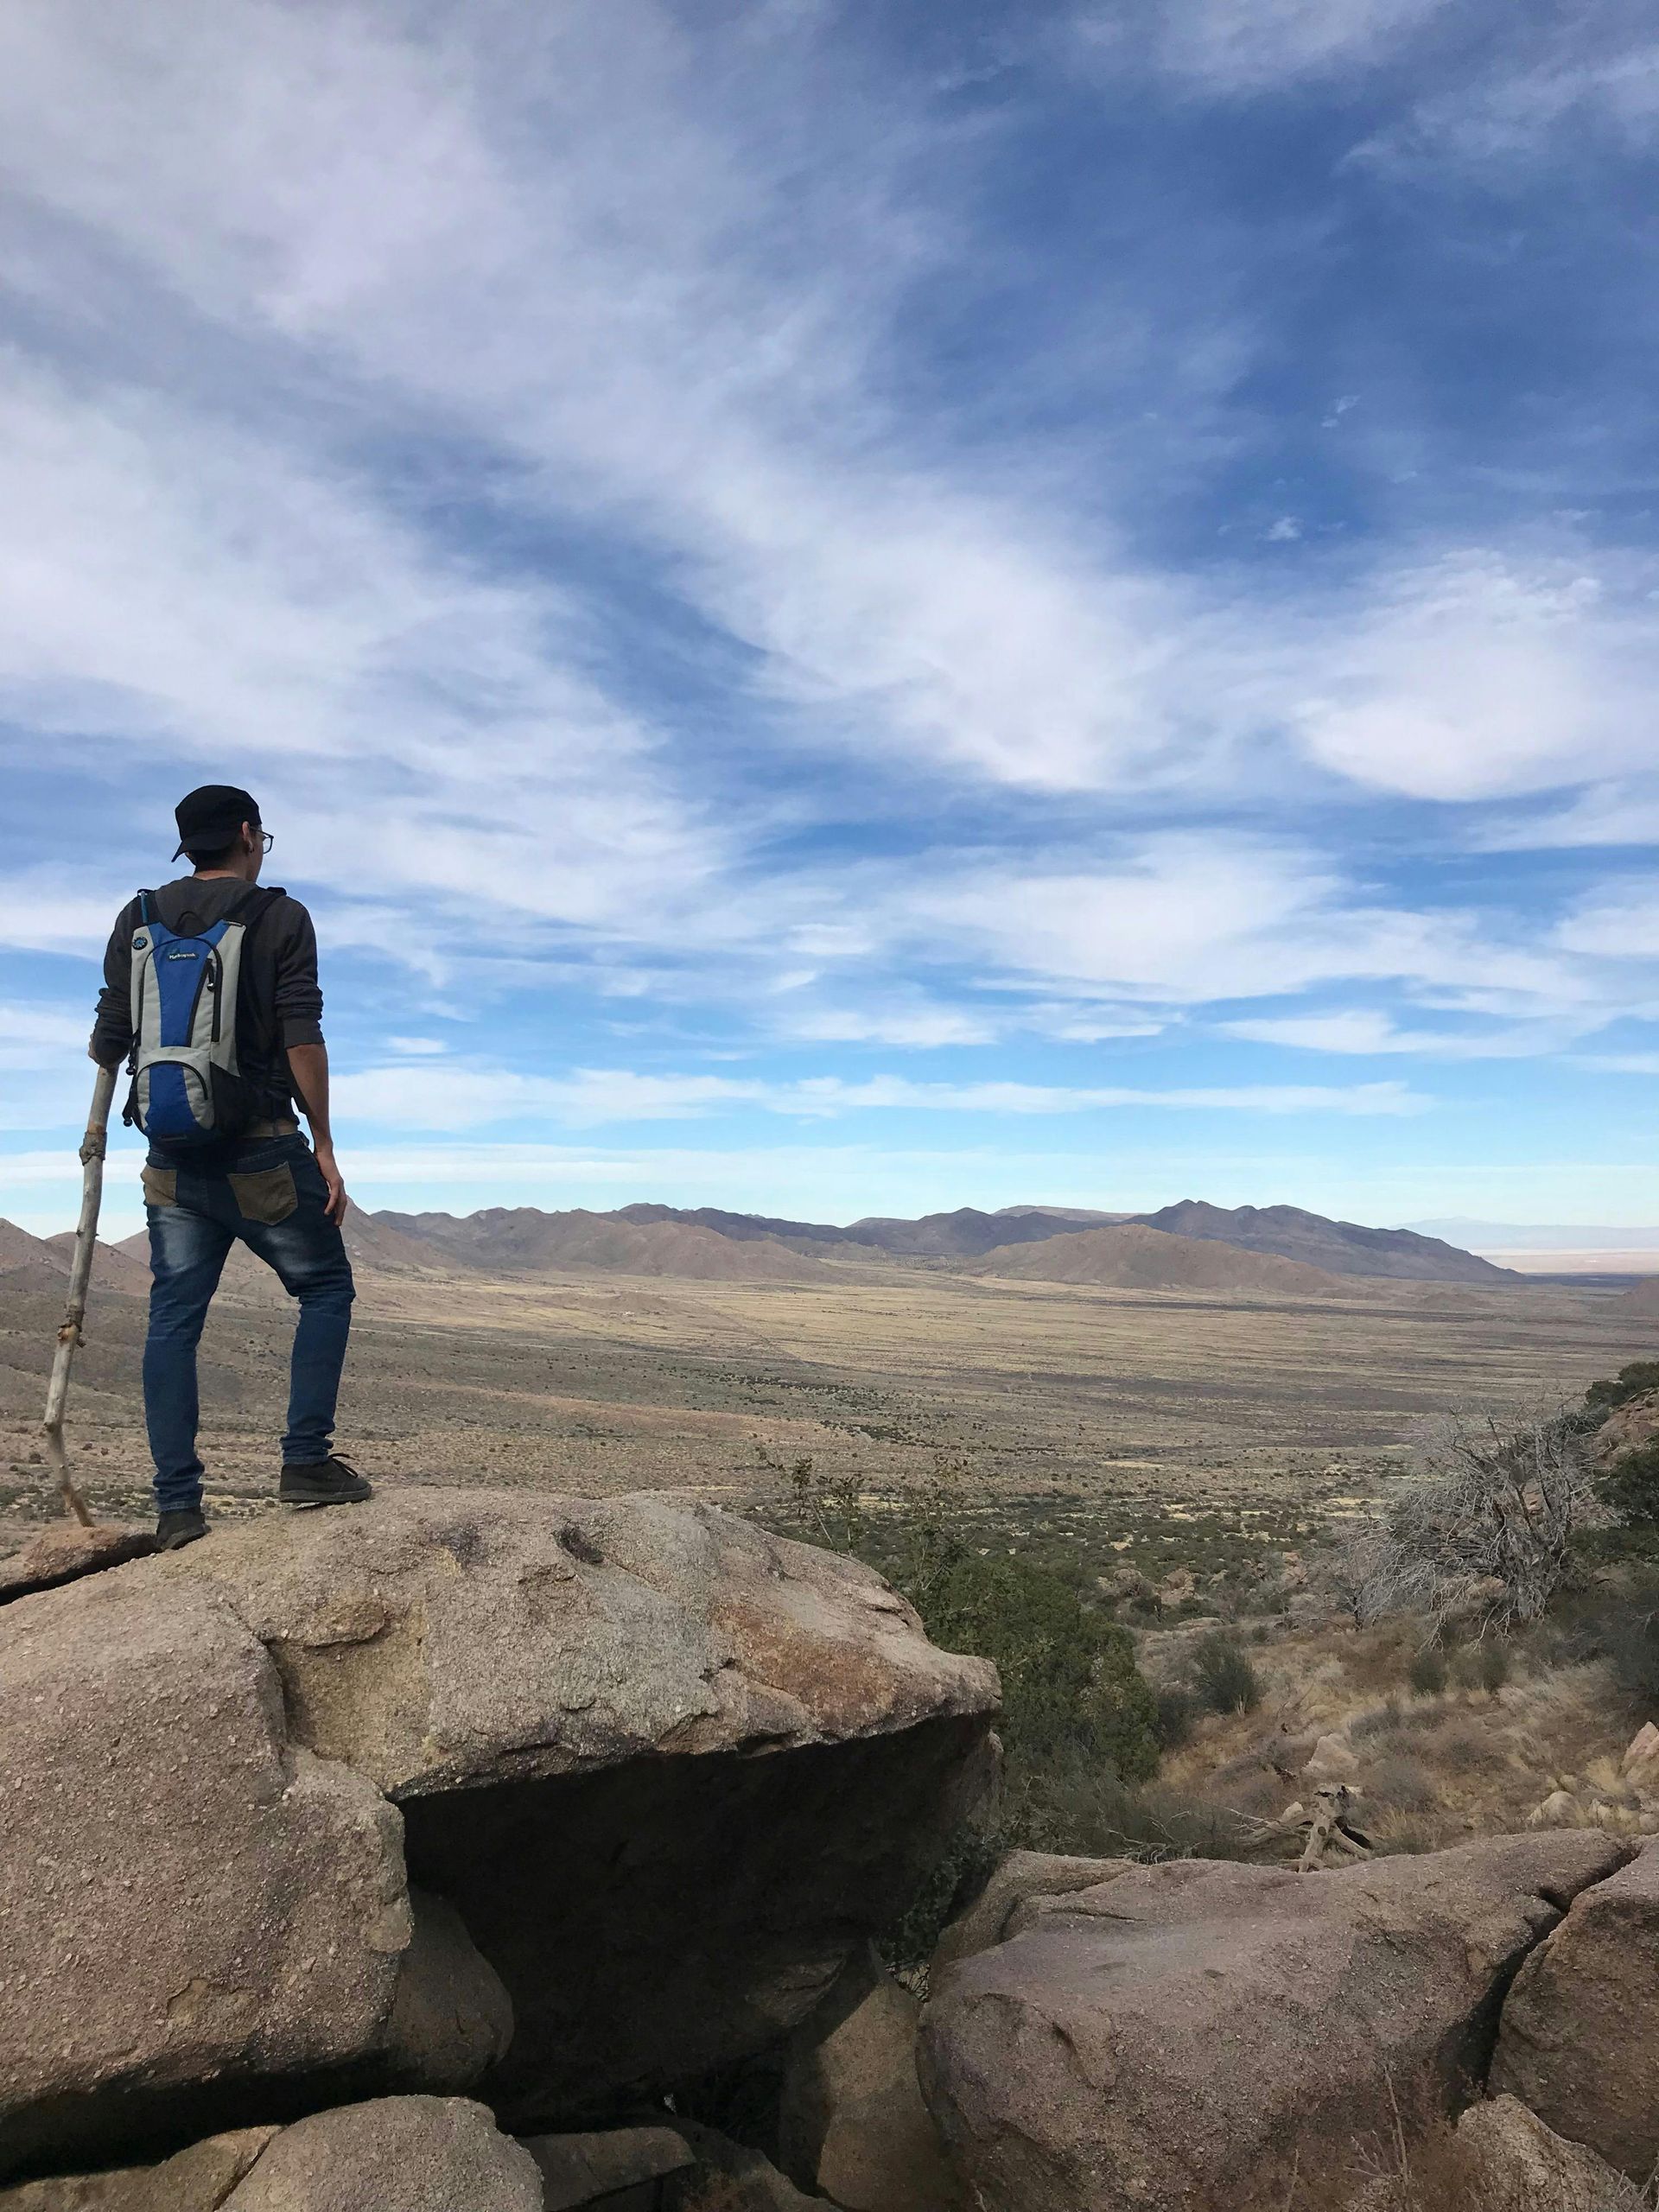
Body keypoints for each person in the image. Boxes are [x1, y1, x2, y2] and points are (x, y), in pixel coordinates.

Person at [89, 785, 371, 1548]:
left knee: (172, 1322)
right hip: (262, 1153)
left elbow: (108, 1039)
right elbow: (301, 1034)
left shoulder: (137, 918)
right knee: (325, 1288)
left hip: (171, 1160)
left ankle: (178, 1508)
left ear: (188, 845)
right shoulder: (281, 917)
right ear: (249, 835)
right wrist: (324, 1141)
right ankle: (306, 1462)